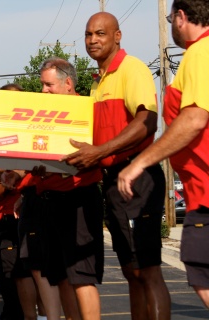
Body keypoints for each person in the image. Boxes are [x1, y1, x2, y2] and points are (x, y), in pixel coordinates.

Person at [62, 12, 171, 319]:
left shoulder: (131, 68)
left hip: (138, 176)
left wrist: (101, 151)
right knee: (131, 271)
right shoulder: (97, 84)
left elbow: (148, 121)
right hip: (113, 182)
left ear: (117, 36)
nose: (92, 40)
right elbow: (94, 146)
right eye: (88, 35)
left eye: (100, 34)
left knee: (148, 270)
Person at [118, 0, 209, 308]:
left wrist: (139, 163)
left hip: (206, 192)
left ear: (181, 17)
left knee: (202, 275)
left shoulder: (199, 52)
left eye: (171, 17)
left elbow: (195, 118)